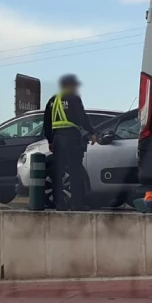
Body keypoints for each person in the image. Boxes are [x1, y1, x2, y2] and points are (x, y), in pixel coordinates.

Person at [43, 74, 95, 211]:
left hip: (57, 139)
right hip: (71, 138)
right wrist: (92, 132)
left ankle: (60, 204)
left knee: (58, 172)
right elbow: (82, 117)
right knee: (75, 171)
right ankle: (77, 204)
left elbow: (46, 123)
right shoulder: (73, 98)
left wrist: (50, 140)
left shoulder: (52, 100)